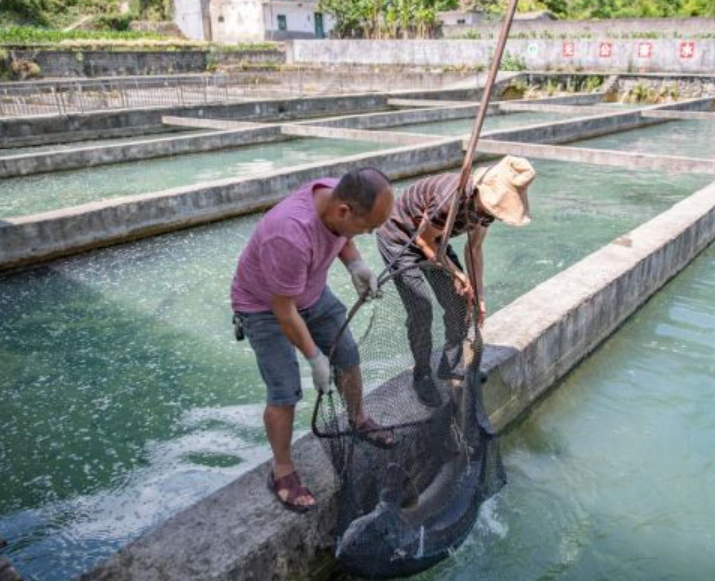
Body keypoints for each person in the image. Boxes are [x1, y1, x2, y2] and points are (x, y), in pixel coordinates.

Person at [231, 168, 395, 512]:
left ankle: (358, 418)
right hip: (264, 306)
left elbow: (340, 236)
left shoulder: (337, 195)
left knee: (347, 353)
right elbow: (284, 311)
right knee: (285, 389)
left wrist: (355, 264)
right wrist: (314, 357)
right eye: (368, 228)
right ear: (344, 212)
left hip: (309, 290)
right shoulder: (289, 234)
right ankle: (283, 469)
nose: (367, 234)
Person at [376, 156, 536, 407]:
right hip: (402, 239)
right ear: (481, 191)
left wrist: (479, 295)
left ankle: (449, 366)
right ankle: (422, 374)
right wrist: (458, 275)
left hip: (435, 239)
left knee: (461, 302)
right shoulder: (449, 199)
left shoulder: (484, 210)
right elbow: (423, 242)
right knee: (421, 309)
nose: (492, 213)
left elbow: (474, 250)